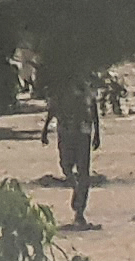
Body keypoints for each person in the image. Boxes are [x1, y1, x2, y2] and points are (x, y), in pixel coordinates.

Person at [42, 88, 102, 229]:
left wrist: (97, 133)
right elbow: (53, 109)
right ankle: (76, 190)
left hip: (83, 133)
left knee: (83, 172)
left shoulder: (87, 89)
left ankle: (79, 210)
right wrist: (45, 130)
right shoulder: (62, 89)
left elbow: (94, 111)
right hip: (66, 132)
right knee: (65, 166)